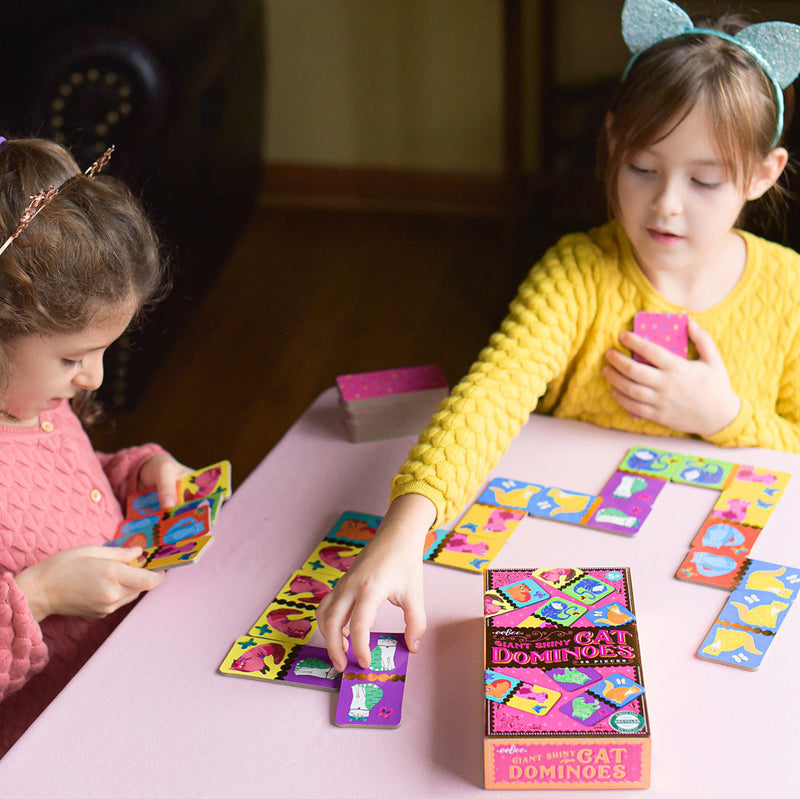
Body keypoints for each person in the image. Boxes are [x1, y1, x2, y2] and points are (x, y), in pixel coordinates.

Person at [316, 0, 800, 672]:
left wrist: (726, 416)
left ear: (762, 174)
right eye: (642, 167)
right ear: (611, 142)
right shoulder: (576, 270)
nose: (665, 202)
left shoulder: (789, 289)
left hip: (712, 589)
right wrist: (404, 527)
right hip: (568, 560)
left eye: (705, 179)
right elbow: (491, 392)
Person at [0, 137, 192, 755]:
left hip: (134, 678)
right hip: (56, 742)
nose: (95, 379)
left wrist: (138, 472)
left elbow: (70, 491)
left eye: (105, 351)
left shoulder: (43, 404)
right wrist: (42, 594)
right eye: (73, 358)